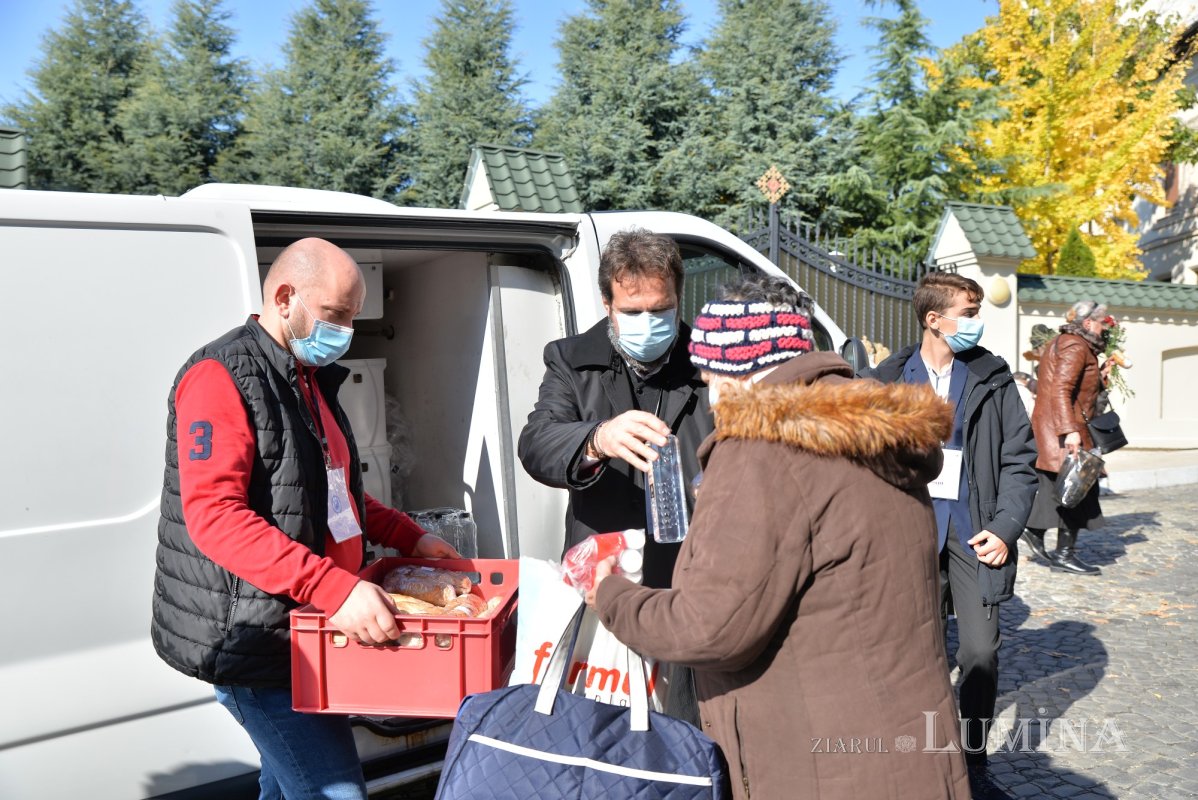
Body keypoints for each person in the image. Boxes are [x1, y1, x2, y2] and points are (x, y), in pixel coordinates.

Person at [588, 275, 971, 800]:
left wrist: (610, 594)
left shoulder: (764, 450)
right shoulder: (871, 428)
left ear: (735, 372)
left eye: (709, 379)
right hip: (907, 752)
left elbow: (710, 627)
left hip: (819, 767)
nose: (710, 397)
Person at [150, 238, 459, 800]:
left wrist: (411, 536)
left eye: (351, 317)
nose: (345, 331)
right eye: (336, 315)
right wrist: (334, 590)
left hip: (308, 635)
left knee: (284, 786)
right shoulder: (221, 375)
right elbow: (214, 516)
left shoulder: (307, 378)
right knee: (333, 792)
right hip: (257, 644)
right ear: (285, 297)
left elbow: (334, 496)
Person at [864, 271, 1037, 797]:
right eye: (969, 312)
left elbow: (1020, 461)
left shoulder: (992, 376)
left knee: (980, 651)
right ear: (933, 320)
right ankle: (921, 752)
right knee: (920, 651)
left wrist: (1006, 528)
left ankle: (974, 753)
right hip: (910, 534)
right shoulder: (887, 377)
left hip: (973, 532)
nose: (977, 321)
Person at [518, 228, 713, 589]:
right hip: (605, 573)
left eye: (660, 310)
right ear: (607, 304)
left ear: (678, 298)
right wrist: (597, 439)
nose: (649, 323)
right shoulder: (571, 360)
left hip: (696, 576)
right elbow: (536, 445)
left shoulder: (713, 364)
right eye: (632, 312)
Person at [1023, 299, 1114, 575]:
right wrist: (1070, 430)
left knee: (1061, 491)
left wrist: (1102, 377)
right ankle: (1063, 554)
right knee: (1079, 489)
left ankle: (1034, 531)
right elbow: (1061, 389)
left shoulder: (1066, 342)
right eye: (1102, 323)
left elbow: (1075, 387)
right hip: (1064, 430)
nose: (1104, 328)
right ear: (1088, 323)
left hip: (1057, 429)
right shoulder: (1076, 346)